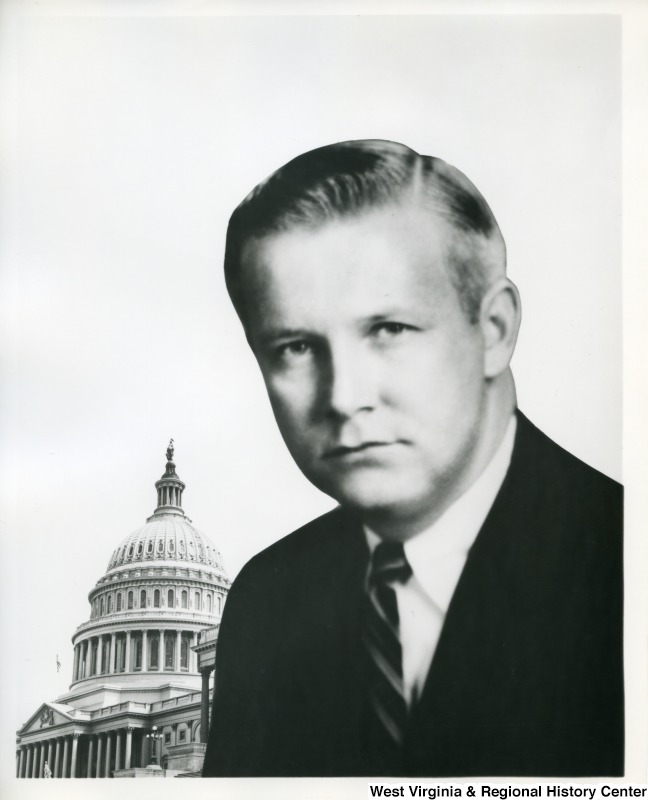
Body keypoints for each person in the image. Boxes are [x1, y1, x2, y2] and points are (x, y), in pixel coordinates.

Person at [202, 140, 623, 778]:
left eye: (389, 330)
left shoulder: (621, 559)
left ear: (494, 330)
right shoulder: (266, 601)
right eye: (294, 346)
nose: (344, 398)